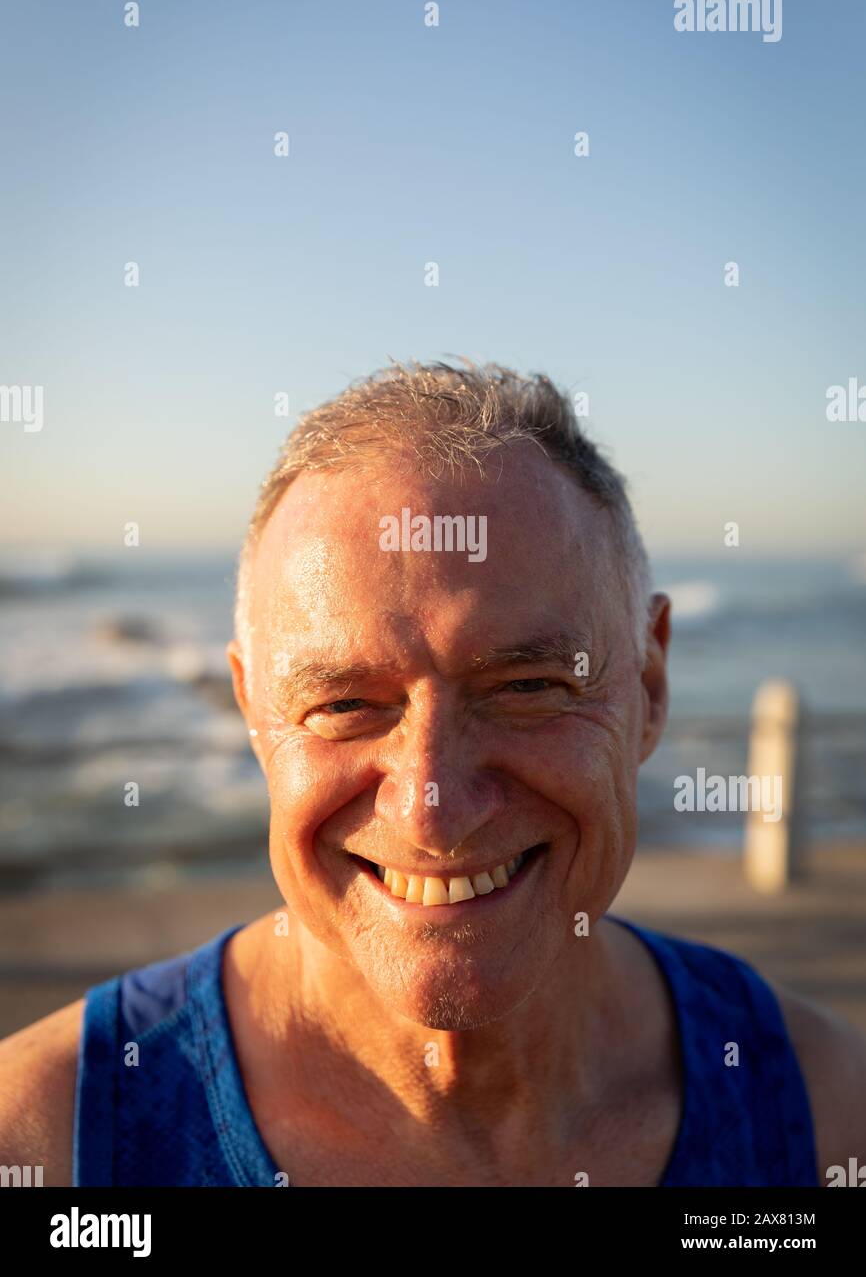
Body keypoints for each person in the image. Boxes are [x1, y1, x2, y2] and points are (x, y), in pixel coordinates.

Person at [1, 360, 865, 1187]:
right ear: (253, 713)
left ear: (648, 684)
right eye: (344, 704)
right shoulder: (45, 1140)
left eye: (528, 687)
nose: (432, 810)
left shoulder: (828, 1118)